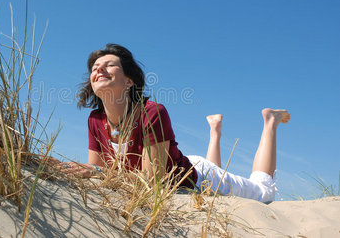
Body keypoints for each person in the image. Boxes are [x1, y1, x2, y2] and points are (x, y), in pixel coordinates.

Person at [60, 44, 290, 203]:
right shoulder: (95, 120)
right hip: (176, 158)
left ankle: (271, 121)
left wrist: (96, 172)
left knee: (264, 190)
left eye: (108, 65)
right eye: (93, 68)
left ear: (129, 81)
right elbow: (97, 170)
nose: (98, 69)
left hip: (199, 178)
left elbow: (152, 179)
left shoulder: (152, 112)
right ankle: (215, 131)